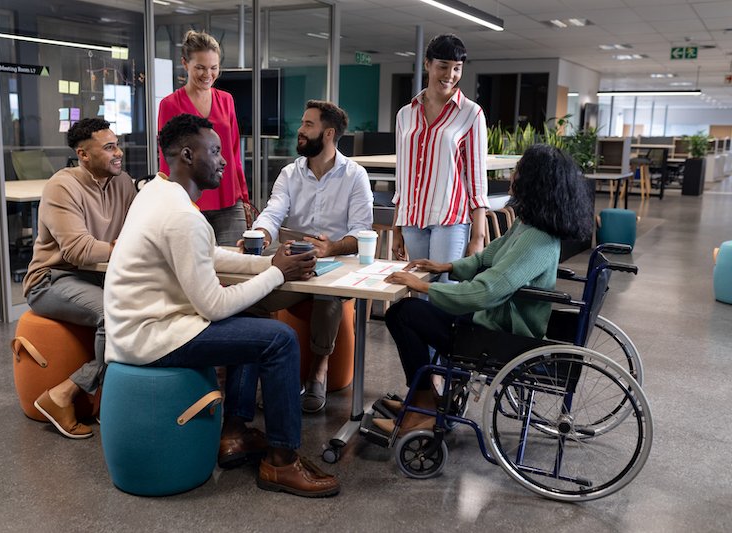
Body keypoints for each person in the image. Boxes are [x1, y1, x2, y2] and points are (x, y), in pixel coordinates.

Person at [104, 113, 340, 498]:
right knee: (278, 340)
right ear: (186, 155)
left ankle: (234, 433)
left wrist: (270, 263)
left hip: (137, 328)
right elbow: (213, 306)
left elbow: (208, 256)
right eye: (214, 151)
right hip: (152, 337)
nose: (224, 160)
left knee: (250, 317)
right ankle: (281, 462)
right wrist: (277, 274)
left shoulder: (156, 193)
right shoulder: (182, 216)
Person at [374, 144, 593, 435]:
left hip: (501, 336)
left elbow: (487, 291)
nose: (513, 176)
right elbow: (489, 257)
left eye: (518, 171)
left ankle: (423, 407)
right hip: (494, 321)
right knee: (408, 312)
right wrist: (447, 267)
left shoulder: (536, 239)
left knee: (403, 314)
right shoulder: (530, 226)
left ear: (533, 181)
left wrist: (423, 285)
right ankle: (421, 400)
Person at [248, 100, 373, 413]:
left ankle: (318, 371)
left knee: (327, 297)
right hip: (295, 258)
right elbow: (273, 211)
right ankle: (270, 370)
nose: (300, 131)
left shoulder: (355, 175)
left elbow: (361, 232)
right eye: (302, 124)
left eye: (308, 125)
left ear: (328, 133)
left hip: (338, 262)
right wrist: (260, 235)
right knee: (250, 298)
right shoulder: (290, 173)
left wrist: (331, 248)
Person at [23, 118, 137, 439]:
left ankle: (104, 396)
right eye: (109, 147)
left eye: (117, 144)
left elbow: (137, 233)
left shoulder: (123, 183)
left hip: (97, 277)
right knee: (111, 313)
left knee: (146, 306)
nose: (119, 153)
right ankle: (64, 395)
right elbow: (77, 251)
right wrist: (125, 248)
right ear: (83, 154)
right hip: (52, 279)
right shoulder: (62, 186)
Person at [392, 33, 489, 281]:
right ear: (427, 64)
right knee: (416, 292)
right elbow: (402, 176)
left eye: (457, 68)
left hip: (451, 219)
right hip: (412, 219)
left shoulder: (471, 113)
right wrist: (396, 227)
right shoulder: (405, 114)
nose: (450, 75)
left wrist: (477, 238)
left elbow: (477, 181)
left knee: (443, 293)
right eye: (443, 66)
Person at [157, 30, 249, 246]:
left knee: (237, 268)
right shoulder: (170, 104)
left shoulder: (226, 100)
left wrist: (243, 196)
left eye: (213, 68)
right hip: (188, 203)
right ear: (185, 64)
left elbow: (234, 151)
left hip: (228, 199)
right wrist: (168, 200)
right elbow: (166, 158)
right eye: (200, 67)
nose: (208, 74)